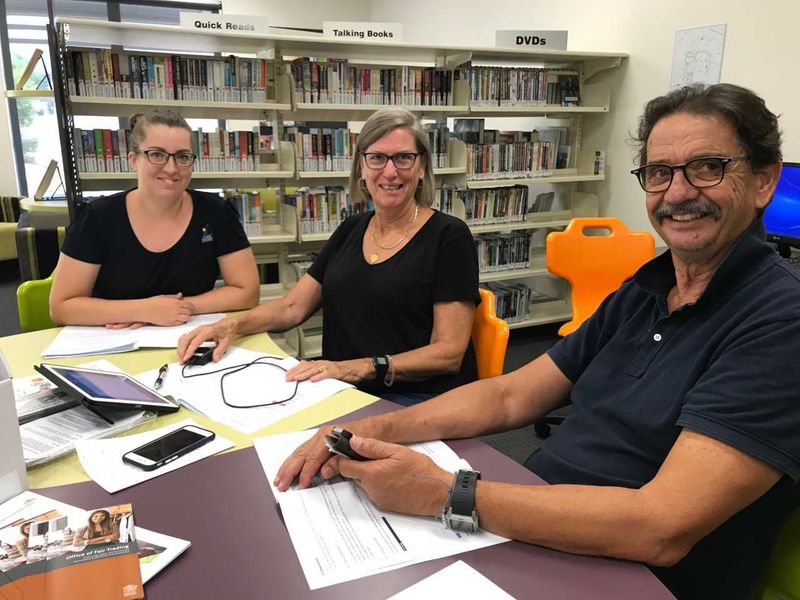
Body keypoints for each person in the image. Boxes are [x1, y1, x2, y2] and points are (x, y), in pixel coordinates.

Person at [274, 83, 800, 600]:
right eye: (660, 172)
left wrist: (444, 494)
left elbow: (660, 527)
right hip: (538, 524)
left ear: (763, 181)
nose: (678, 193)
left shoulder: (780, 320)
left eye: (707, 167)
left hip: (628, 576)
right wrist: (369, 429)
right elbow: (511, 395)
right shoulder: (643, 291)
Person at [179, 107, 479, 405]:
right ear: (361, 168)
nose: (390, 171)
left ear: (421, 166)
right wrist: (230, 326)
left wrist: (361, 367)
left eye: (403, 158)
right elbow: (292, 307)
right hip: (345, 389)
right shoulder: (351, 229)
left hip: (419, 397)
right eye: (377, 158)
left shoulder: (449, 236)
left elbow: (448, 353)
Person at [50, 108, 259, 328]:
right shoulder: (97, 218)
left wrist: (181, 308)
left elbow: (247, 292)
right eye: (157, 155)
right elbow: (61, 307)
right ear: (134, 160)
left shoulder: (215, 211)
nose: (171, 168)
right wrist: (143, 311)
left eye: (182, 157)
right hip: (114, 342)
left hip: (193, 337)